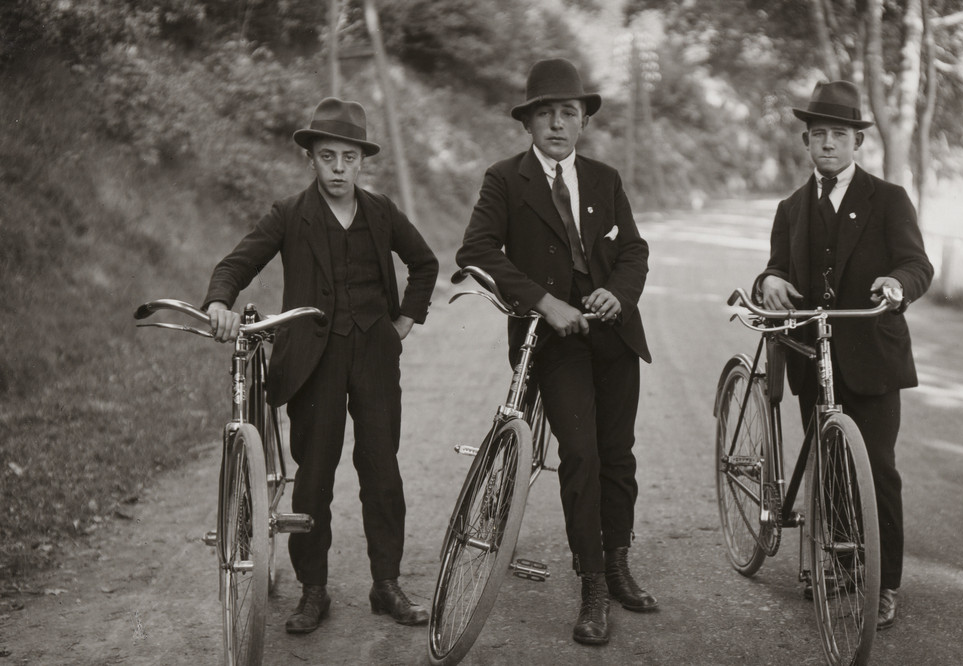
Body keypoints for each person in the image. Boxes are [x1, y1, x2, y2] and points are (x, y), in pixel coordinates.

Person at [202, 97, 439, 635]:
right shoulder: (289, 214)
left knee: (382, 469)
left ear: (361, 161)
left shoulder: (381, 211)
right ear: (311, 157)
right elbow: (237, 262)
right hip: (315, 361)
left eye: (348, 157)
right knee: (315, 475)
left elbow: (424, 263)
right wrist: (219, 300)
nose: (338, 168)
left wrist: (403, 322)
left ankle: (387, 584)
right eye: (327, 155)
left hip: (375, 356)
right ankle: (313, 590)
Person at [456, 58, 657, 646]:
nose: (557, 124)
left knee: (619, 455)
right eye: (545, 114)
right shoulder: (504, 179)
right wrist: (545, 302)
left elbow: (635, 251)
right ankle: (591, 582)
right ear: (529, 124)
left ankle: (617, 563)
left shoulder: (604, 179)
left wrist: (617, 295)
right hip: (552, 339)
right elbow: (478, 250)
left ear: (583, 122)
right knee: (582, 453)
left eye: (568, 113)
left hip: (613, 332)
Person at [754, 80, 933, 631]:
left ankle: (884, 584)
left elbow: (918, 265)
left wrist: (896, 284)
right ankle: (846, 565)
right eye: (818, 135)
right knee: (831, 466)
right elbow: (775, 266)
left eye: (840, 134)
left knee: (877, 469)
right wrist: (771, 282)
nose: (828, 143)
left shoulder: (889, 199)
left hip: (872, 354)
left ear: (858, 142)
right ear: (806, 143)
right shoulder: (791, 207)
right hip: (815, 354)